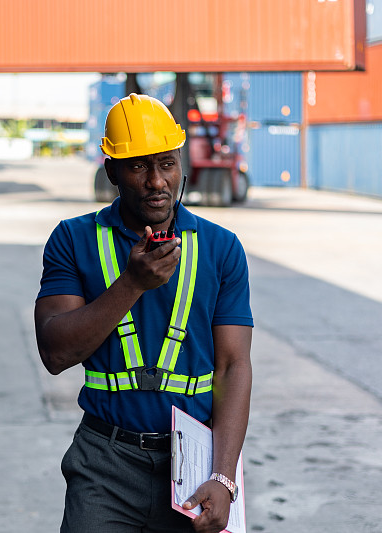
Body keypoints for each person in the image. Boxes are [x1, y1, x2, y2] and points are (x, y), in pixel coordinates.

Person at [35, 93, 253, 533]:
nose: (157, 181)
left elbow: (233, 366)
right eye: (138, 166)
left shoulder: (221, 247)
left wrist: (224, 477)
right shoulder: (73, 239)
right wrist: (132, 284)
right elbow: (55, 354)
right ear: (112, 170)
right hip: (104, 462)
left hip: (193, 462)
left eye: (167, 164)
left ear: (182, 164)